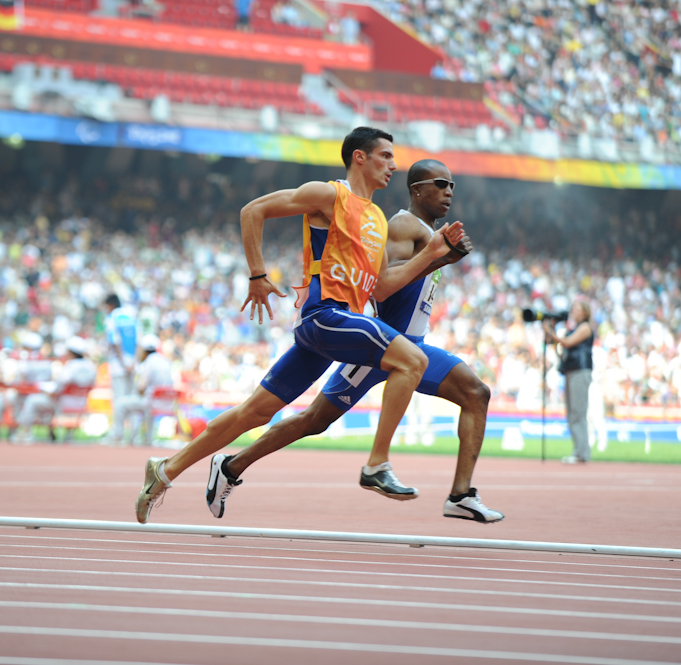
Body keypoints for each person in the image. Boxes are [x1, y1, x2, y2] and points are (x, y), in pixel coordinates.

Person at [136, 126, 464, 523]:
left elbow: (380, 288)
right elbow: (252, 210)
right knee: (411, 360)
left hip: (341, 326)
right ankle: (377, 464)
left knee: (254, 413)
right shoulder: (330, 194)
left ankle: (166, 470)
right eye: (385, 156)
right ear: (359, 157)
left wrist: (433, 254)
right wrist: (257, 274)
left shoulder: (378, 218)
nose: (393, 166)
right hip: (325, 316)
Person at [205, 159, 504, 523]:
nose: (448, 192)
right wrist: (437, 259)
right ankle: (231, 465)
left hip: (413, 347)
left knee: (476, 393)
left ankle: (461, 494)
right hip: (380, 349)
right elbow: (384, 285)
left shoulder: (430, 233)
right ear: (417, 190)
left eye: (452, 186)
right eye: (440, 184)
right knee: (314, 420)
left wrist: (442, 256)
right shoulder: (402, 224)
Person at [14, 336, 96, 444]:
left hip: (63, 404)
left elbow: (58, 388)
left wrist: (49, 392)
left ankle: (25, 432)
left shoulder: (70, 366)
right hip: (81, 404)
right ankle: (68, 435)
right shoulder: (91, 366)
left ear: (71, 352)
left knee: (32, 400)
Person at [544, 298, 595, 464]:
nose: (573, 311)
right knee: (573, 412)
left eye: (577, 308)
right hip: (572, 370)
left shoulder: (585, 328)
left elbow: (567, 343)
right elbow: (562, 349)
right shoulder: (573, 329)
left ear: (585, 312)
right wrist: (552, 336)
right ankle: (579, 450)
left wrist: (550, 331)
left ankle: (581, 452)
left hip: (580, 371)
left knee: (578, 412)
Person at [115, 334, 175, 446]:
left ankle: (118, 437)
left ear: (144, 350)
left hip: (151, 403)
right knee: (143, 404)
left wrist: (138, 391)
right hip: (167, 402)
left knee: (120, 404)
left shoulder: (148, 363)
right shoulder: (166, 361)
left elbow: (141, 387)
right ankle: (147, 438)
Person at [104, 293, 138, 445]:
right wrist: (133, 363)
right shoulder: (132, 315)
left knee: (119, 400)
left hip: (119, 365)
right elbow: (140, 342)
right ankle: (134, 436)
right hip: (134, 365)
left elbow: (114, 342)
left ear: (109, 305)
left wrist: (123, 363)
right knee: (133, 400)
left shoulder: (112, 317)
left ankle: (117, 435)